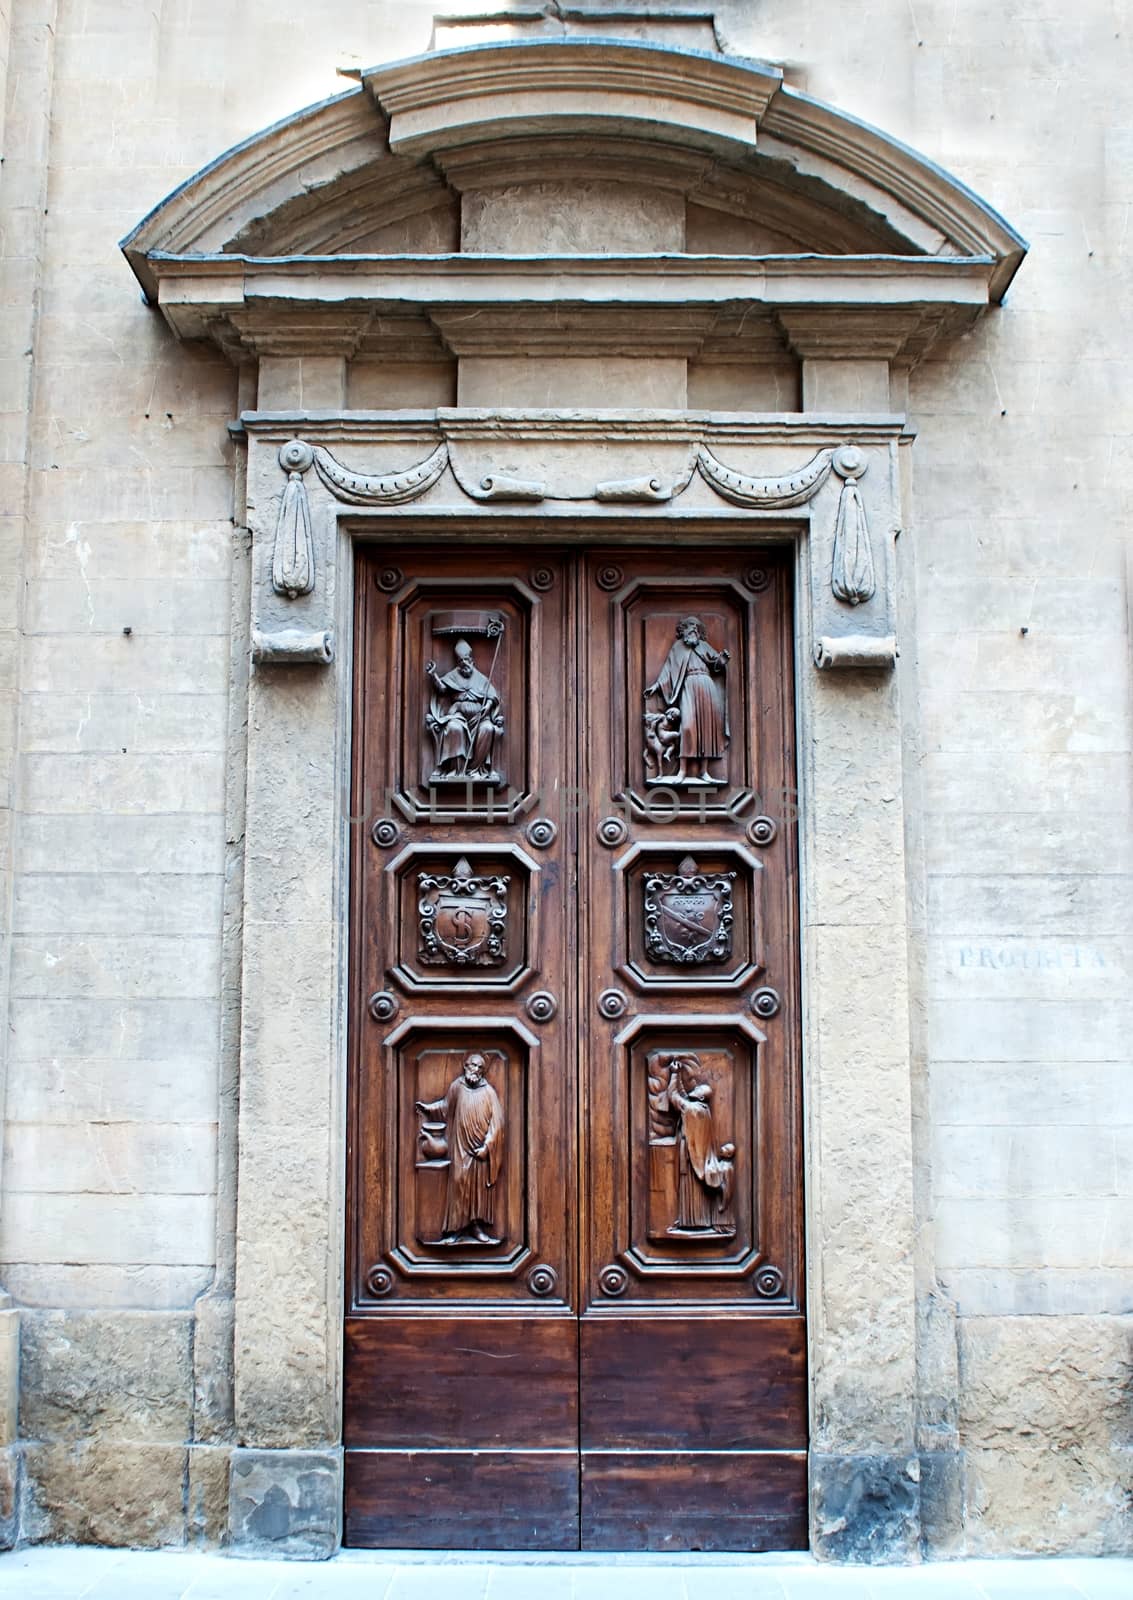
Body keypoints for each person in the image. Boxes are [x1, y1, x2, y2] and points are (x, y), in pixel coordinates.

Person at [416, 1052, 505, 1245]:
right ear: (465, 1066)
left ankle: (475, 1227)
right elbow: (445, 1106)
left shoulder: (489, 1092)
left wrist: (487, 1147)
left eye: (480, 1067)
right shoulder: (457, 1086)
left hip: (478, 1151)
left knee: (478, 1191)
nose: (475, 1070)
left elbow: (497, 1124)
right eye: (472, 1065)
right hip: (460, 1147)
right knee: (458, 1185)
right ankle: (456, 1229)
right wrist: (428, 1108)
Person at [643, 616, 729, 784]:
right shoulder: (678, 648)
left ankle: (703, 771)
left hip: (706, 686)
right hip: (689, 687)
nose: (694, 629)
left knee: (706, 729)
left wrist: (721, 661)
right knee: (688, 726)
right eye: (690, 626)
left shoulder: (704, 646)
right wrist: (655, 686)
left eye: (696, 627)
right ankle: (682, 771)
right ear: (683, 630)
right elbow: (668, 671)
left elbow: (715, 664)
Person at [659, 1054, 735, 1235]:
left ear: (701, 1098)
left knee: (691, 1183)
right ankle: (690, 1219)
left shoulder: (693, 1110)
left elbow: (675, 1098)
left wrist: (674, 1074)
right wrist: (677, 1076)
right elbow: (683, 1095)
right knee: (688, 1183)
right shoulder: (700, 1109)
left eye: (699, 1089)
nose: (696, 1089)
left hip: (692, 1156)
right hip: (693, 1152)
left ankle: (694, 1221)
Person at [426, 638, 505, 782]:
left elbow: (492, 696)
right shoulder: (453, 675)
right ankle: (456, 770)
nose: (465, 663)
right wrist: (433, 675)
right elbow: (442, 688)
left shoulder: (480, 678)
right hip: (458, 715)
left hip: (479, 717)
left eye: (467, 659)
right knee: (454, 728)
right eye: (461, 660)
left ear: (472, 660)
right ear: (458, 662)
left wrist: (486, 708)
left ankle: (475, 770)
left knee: (487, 728)